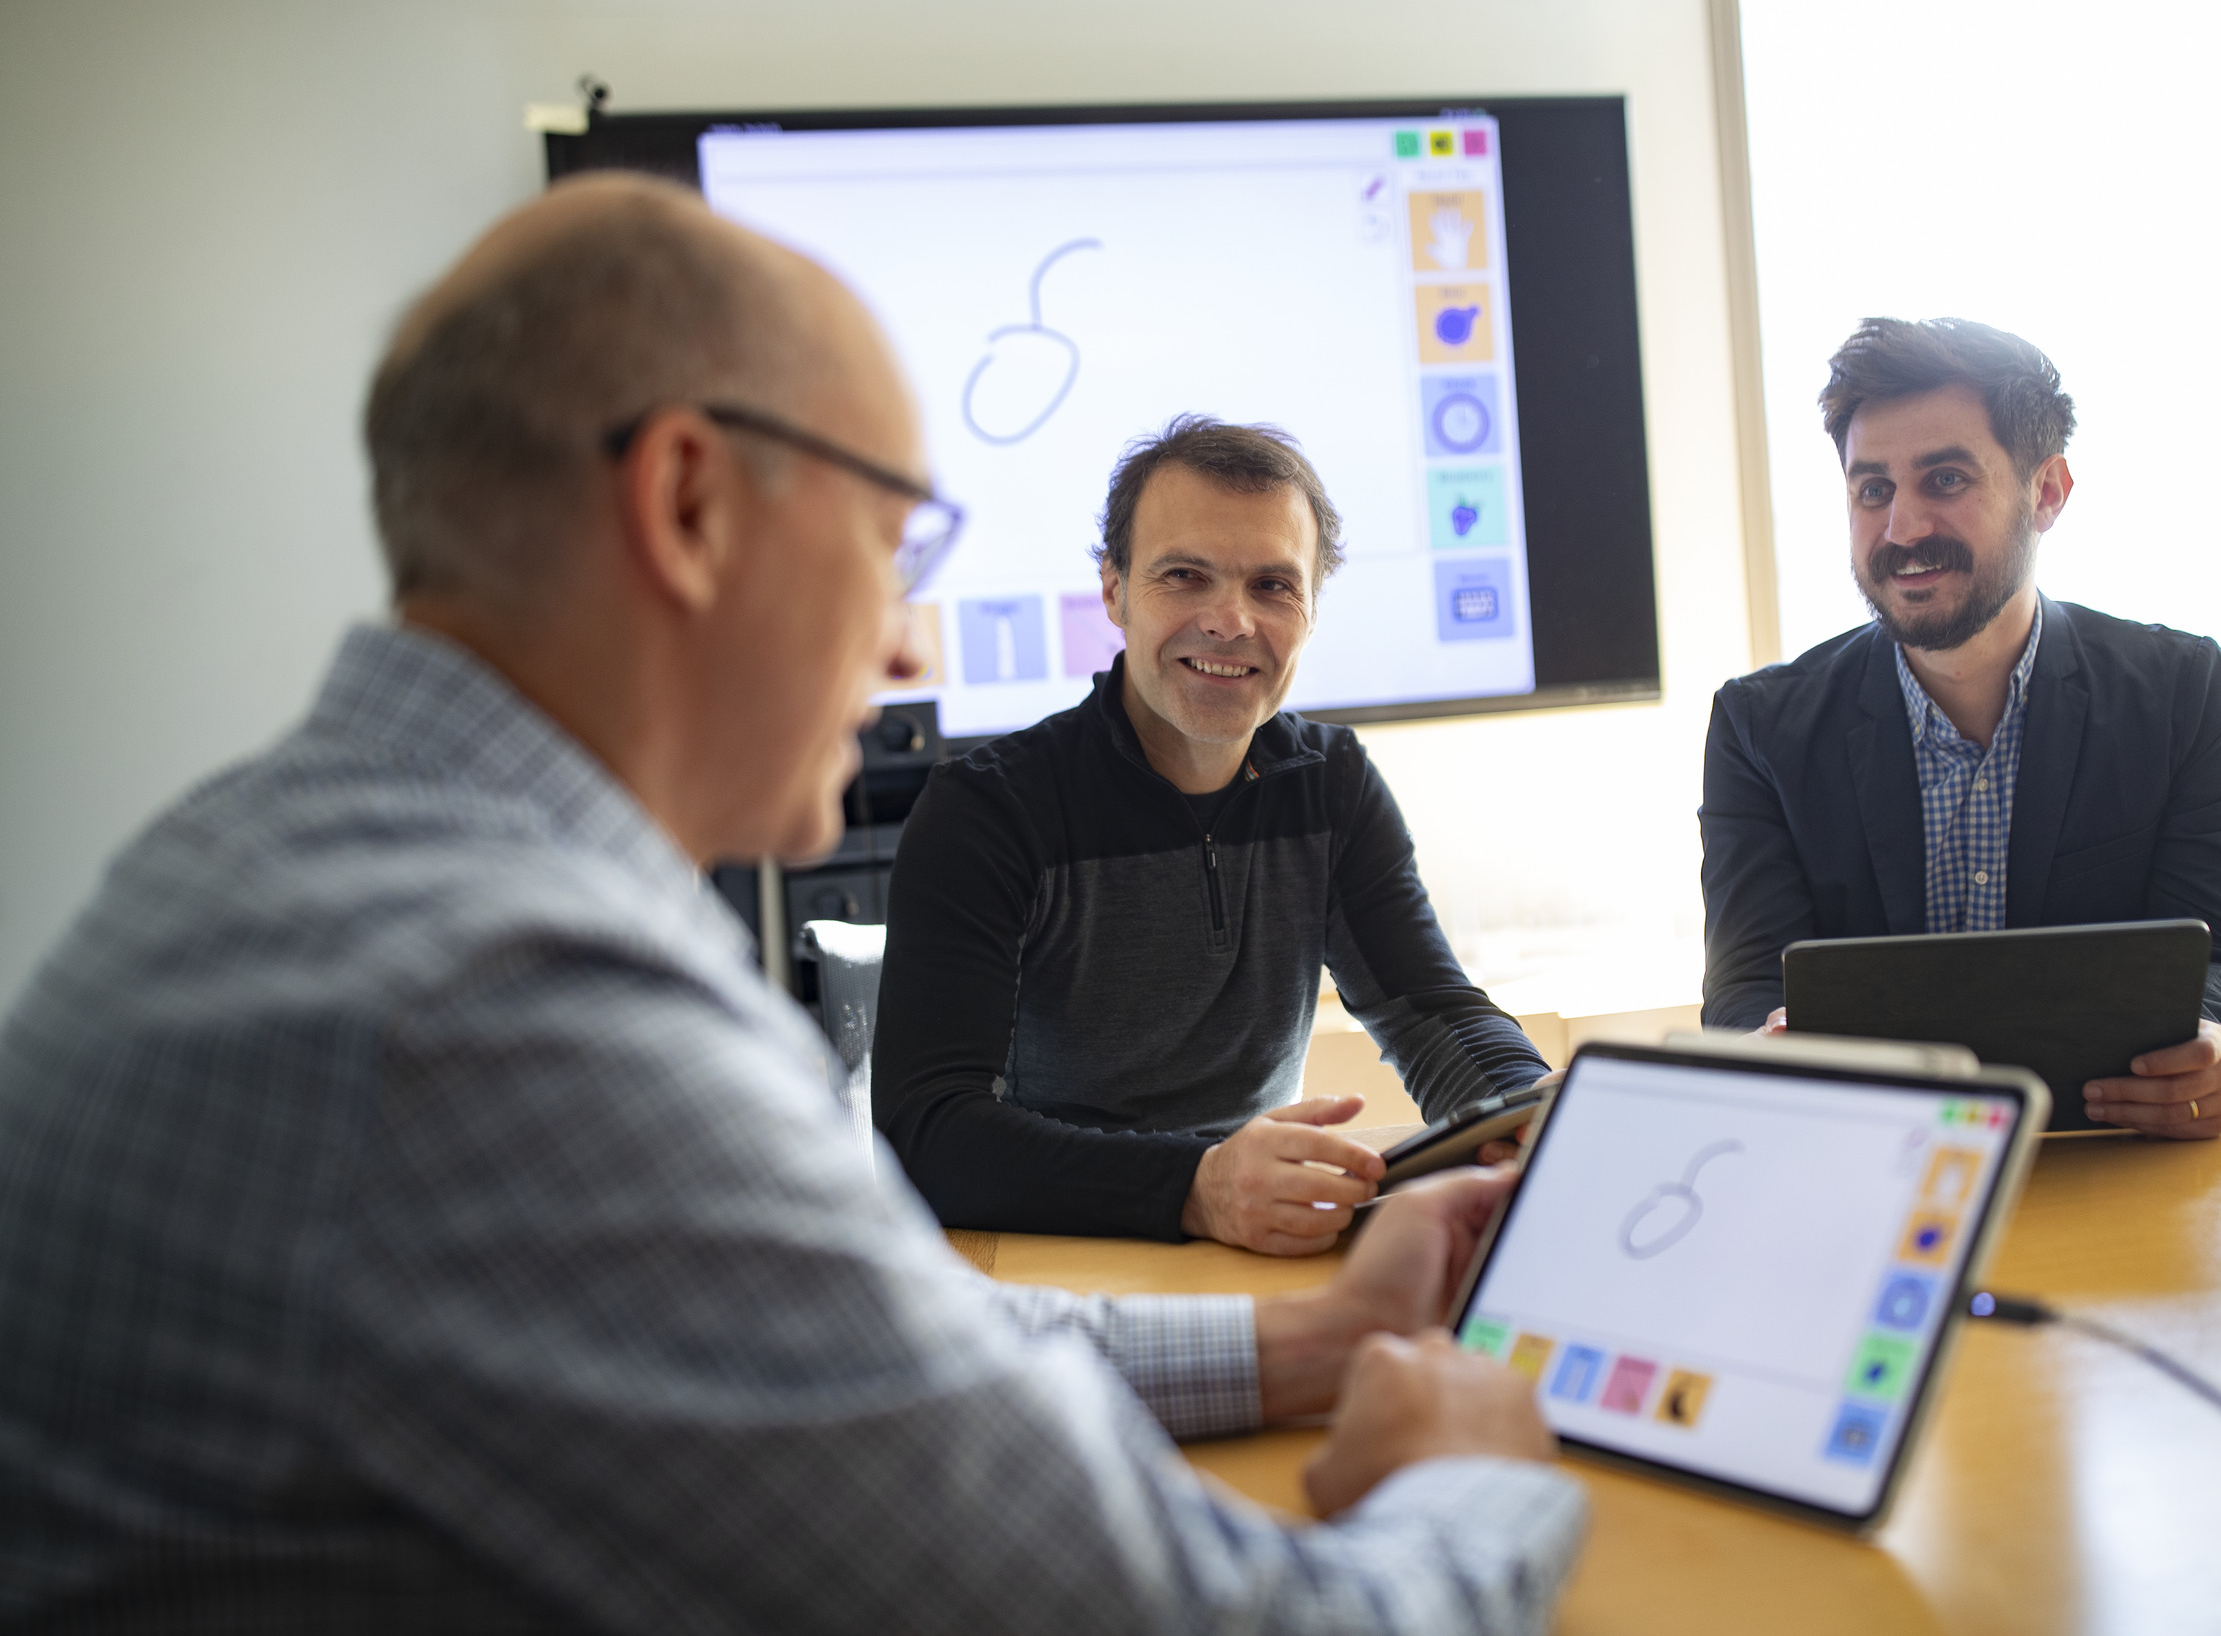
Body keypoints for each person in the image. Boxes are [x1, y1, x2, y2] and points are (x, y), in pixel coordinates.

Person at [0, 175, 1584, 1632]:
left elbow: (872, 1362)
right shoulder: (507, 999)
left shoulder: (296, 864)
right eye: (891, 546)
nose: (906, 651)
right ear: (688, 502)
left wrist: (1305, 1343)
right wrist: (1476, 1465)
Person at [873, 417, 1553, 1254]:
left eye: (1273, 585)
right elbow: (929, 1134)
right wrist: (1195, 1188)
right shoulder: (988, 810)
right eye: (1185, 576)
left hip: (1257, 1236)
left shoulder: (1330, 782)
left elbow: (1434, 1014)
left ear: (1310, 609)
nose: (1230, 621)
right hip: (1052, 1256)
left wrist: (1535, 1110)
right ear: (1114, 590)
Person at [1699, 317, 2221, 1139]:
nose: (1901, 529)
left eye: (1944, 479)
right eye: (1872, 490)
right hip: (1867, 1173)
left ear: (2046, 492)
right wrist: (1764, 1047)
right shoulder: (1758, 730)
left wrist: (2219, 1041)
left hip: (2112, 1162)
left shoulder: (2185, 695)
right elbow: (1747, 990)